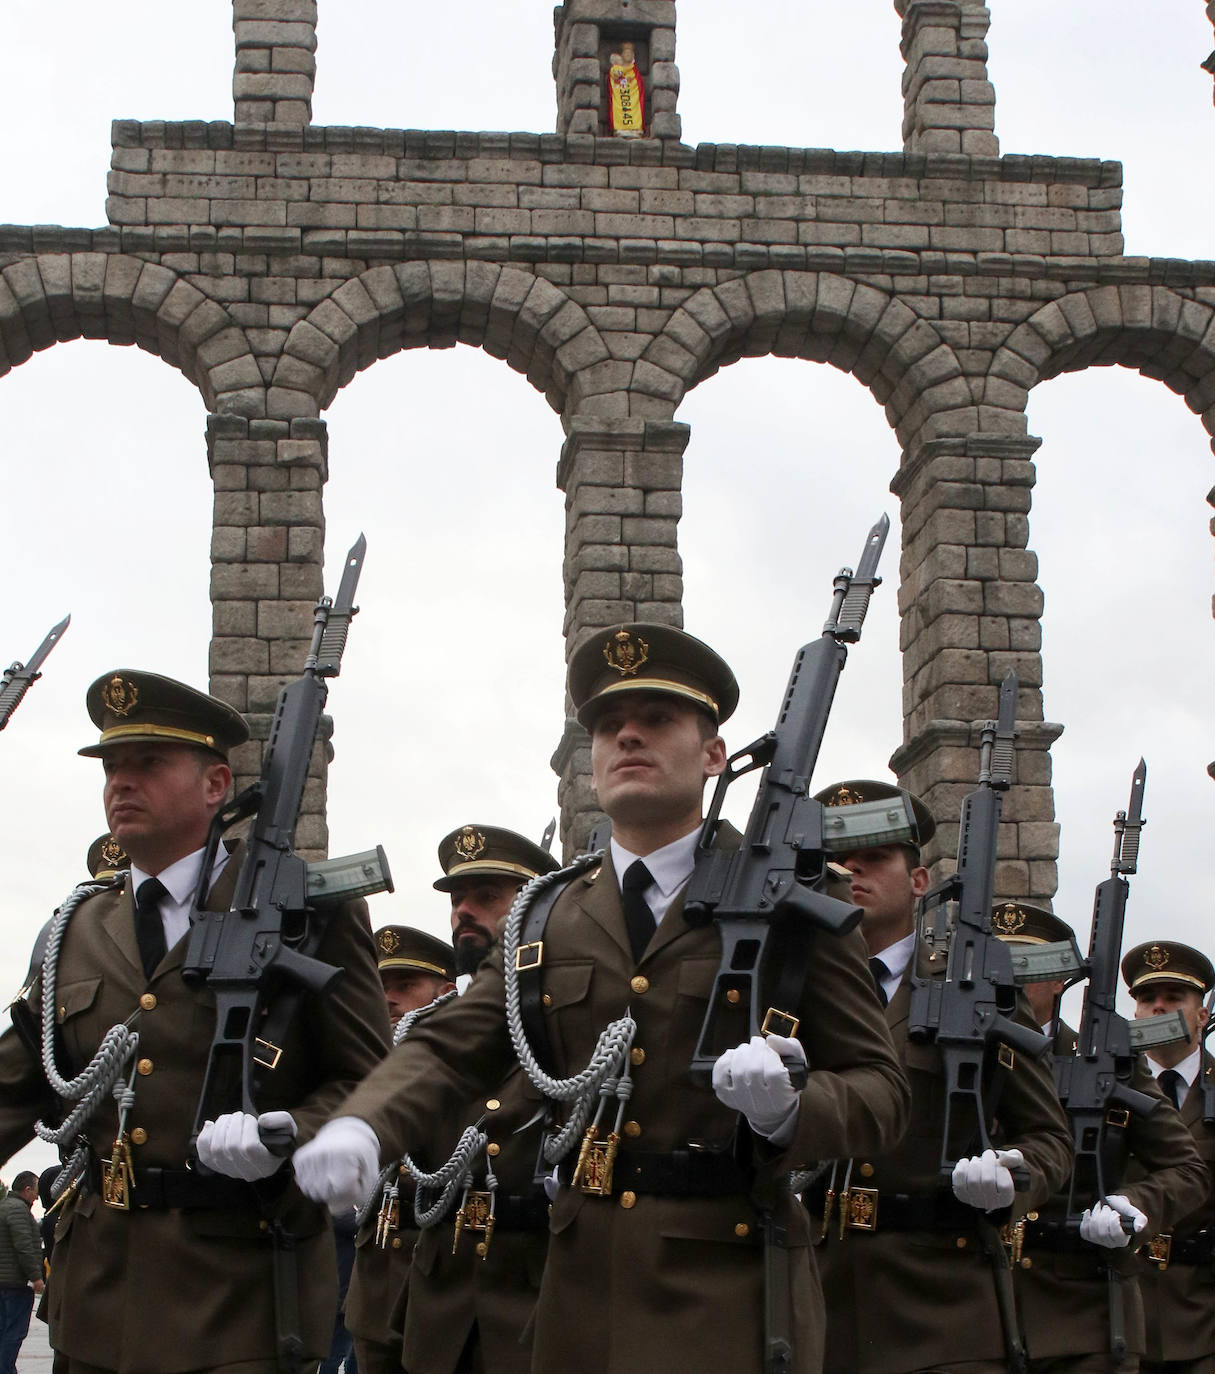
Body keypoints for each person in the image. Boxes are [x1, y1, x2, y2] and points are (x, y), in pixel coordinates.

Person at [294, 623, 910, 1374]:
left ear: (714, 754)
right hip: (579, 1292)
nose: (628, 738)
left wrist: (791, 1110)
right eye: (608, 726)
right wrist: (365, 1124)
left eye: (656, 721)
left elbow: (882, 1093)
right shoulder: (550, 912)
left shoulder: (796, 901)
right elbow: (451, 1047)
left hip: (734, 1291)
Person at [0, 669, 390, 1374]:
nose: (122, 782)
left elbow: (371, 1082)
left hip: (238, 1301)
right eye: (113, 766)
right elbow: (16, 1086)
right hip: (97, 1306)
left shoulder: (308, 915)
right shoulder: (76, 928)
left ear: (216, 785)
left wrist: (288, 1134)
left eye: (148, 763)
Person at [807, 779, 1074, 1374]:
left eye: (874, 857)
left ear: (920, 880)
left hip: (941, 1307)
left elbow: (1050, 1139)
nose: (851, 871)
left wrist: (1013, 1178)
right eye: (835, 861)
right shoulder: (788, 986)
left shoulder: (977, 996)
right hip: (811, 1299)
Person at [994, 904, 1208, 1373]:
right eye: (998, 962)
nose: (1158, 1009)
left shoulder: (1104, 1063)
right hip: (975, 1303)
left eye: (1025, 966)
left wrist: (1131, 1205)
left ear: (1059, 978)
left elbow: (1186, 1171)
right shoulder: (960, 1048)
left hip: (1093, 1305)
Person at [400, 827, 558, 1374]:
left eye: (487, 898)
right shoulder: (430, 1035)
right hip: (440, 1304)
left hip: (536, 1298)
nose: (464, 912)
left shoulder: (572, 1022)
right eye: (456, 900)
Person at [345, 924, 458, 1374]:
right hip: (375, 1275)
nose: (389, 998)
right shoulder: (356, 1065)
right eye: (381, 986)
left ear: (447, 992)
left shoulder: (468, 1064)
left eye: (406, 986)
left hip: (444, 1272)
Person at [1122, 941, 1215, 1374]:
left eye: (1174, 999)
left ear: (1202, 1016)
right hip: (1122, 1309)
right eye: (1147, 999)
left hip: (1203, 1314)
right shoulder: (1106, 1090)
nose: (1158, 1008)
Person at [0, 1171, 43, 1374]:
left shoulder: (4, 1207)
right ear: (27, 1190)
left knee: (3, 1331)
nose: (37, 1196)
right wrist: (36, 1277)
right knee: (13, 1333)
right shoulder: (18, 1211)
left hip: (4, 1282)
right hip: (14, 1284)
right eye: (36, 1191)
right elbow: (24, 1247)